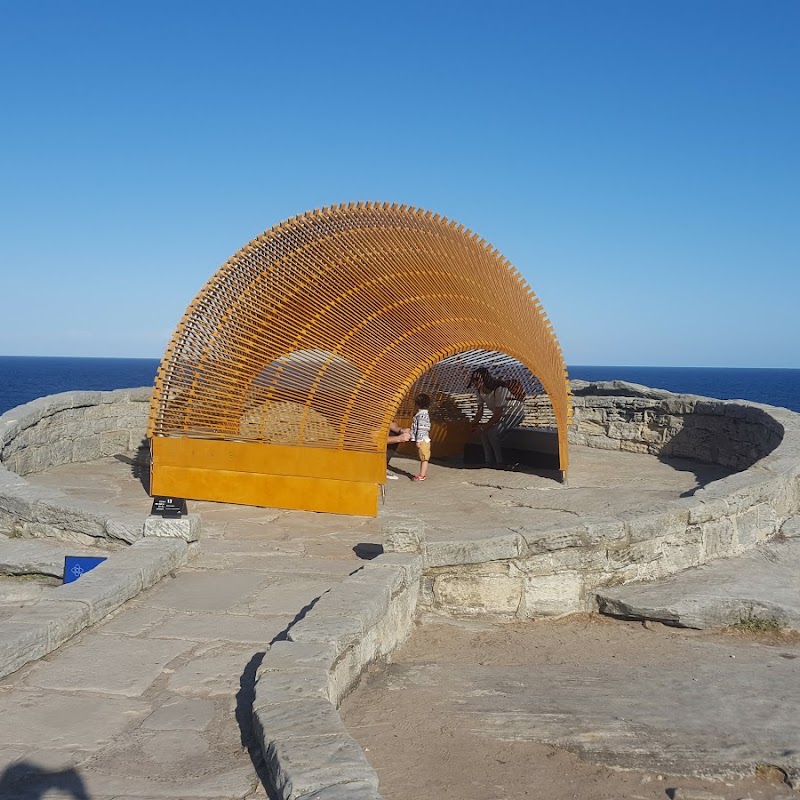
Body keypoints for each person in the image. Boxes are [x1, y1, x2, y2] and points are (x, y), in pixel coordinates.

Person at [469, 367, 525, 468]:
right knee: (484, 433)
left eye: (477, 379)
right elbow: (480, 412)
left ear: (485, 378)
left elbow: (498, 413)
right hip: (502, 414)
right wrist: (473, 425)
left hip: (514, 414)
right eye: (473, 380)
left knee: (492, 433)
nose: (475, 382)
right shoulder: (479, 391)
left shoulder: (499, 389)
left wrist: (484, 427)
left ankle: (500, 463)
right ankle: (488, 462)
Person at [409, 393, 432, 481]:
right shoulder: (423, 414)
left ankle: (422, 475)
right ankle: (422, 474)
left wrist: (418, 440)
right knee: (423, 457)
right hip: (424, 439)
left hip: (423, 440)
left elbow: (421, 429)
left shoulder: (422, 415)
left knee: (424, 458)